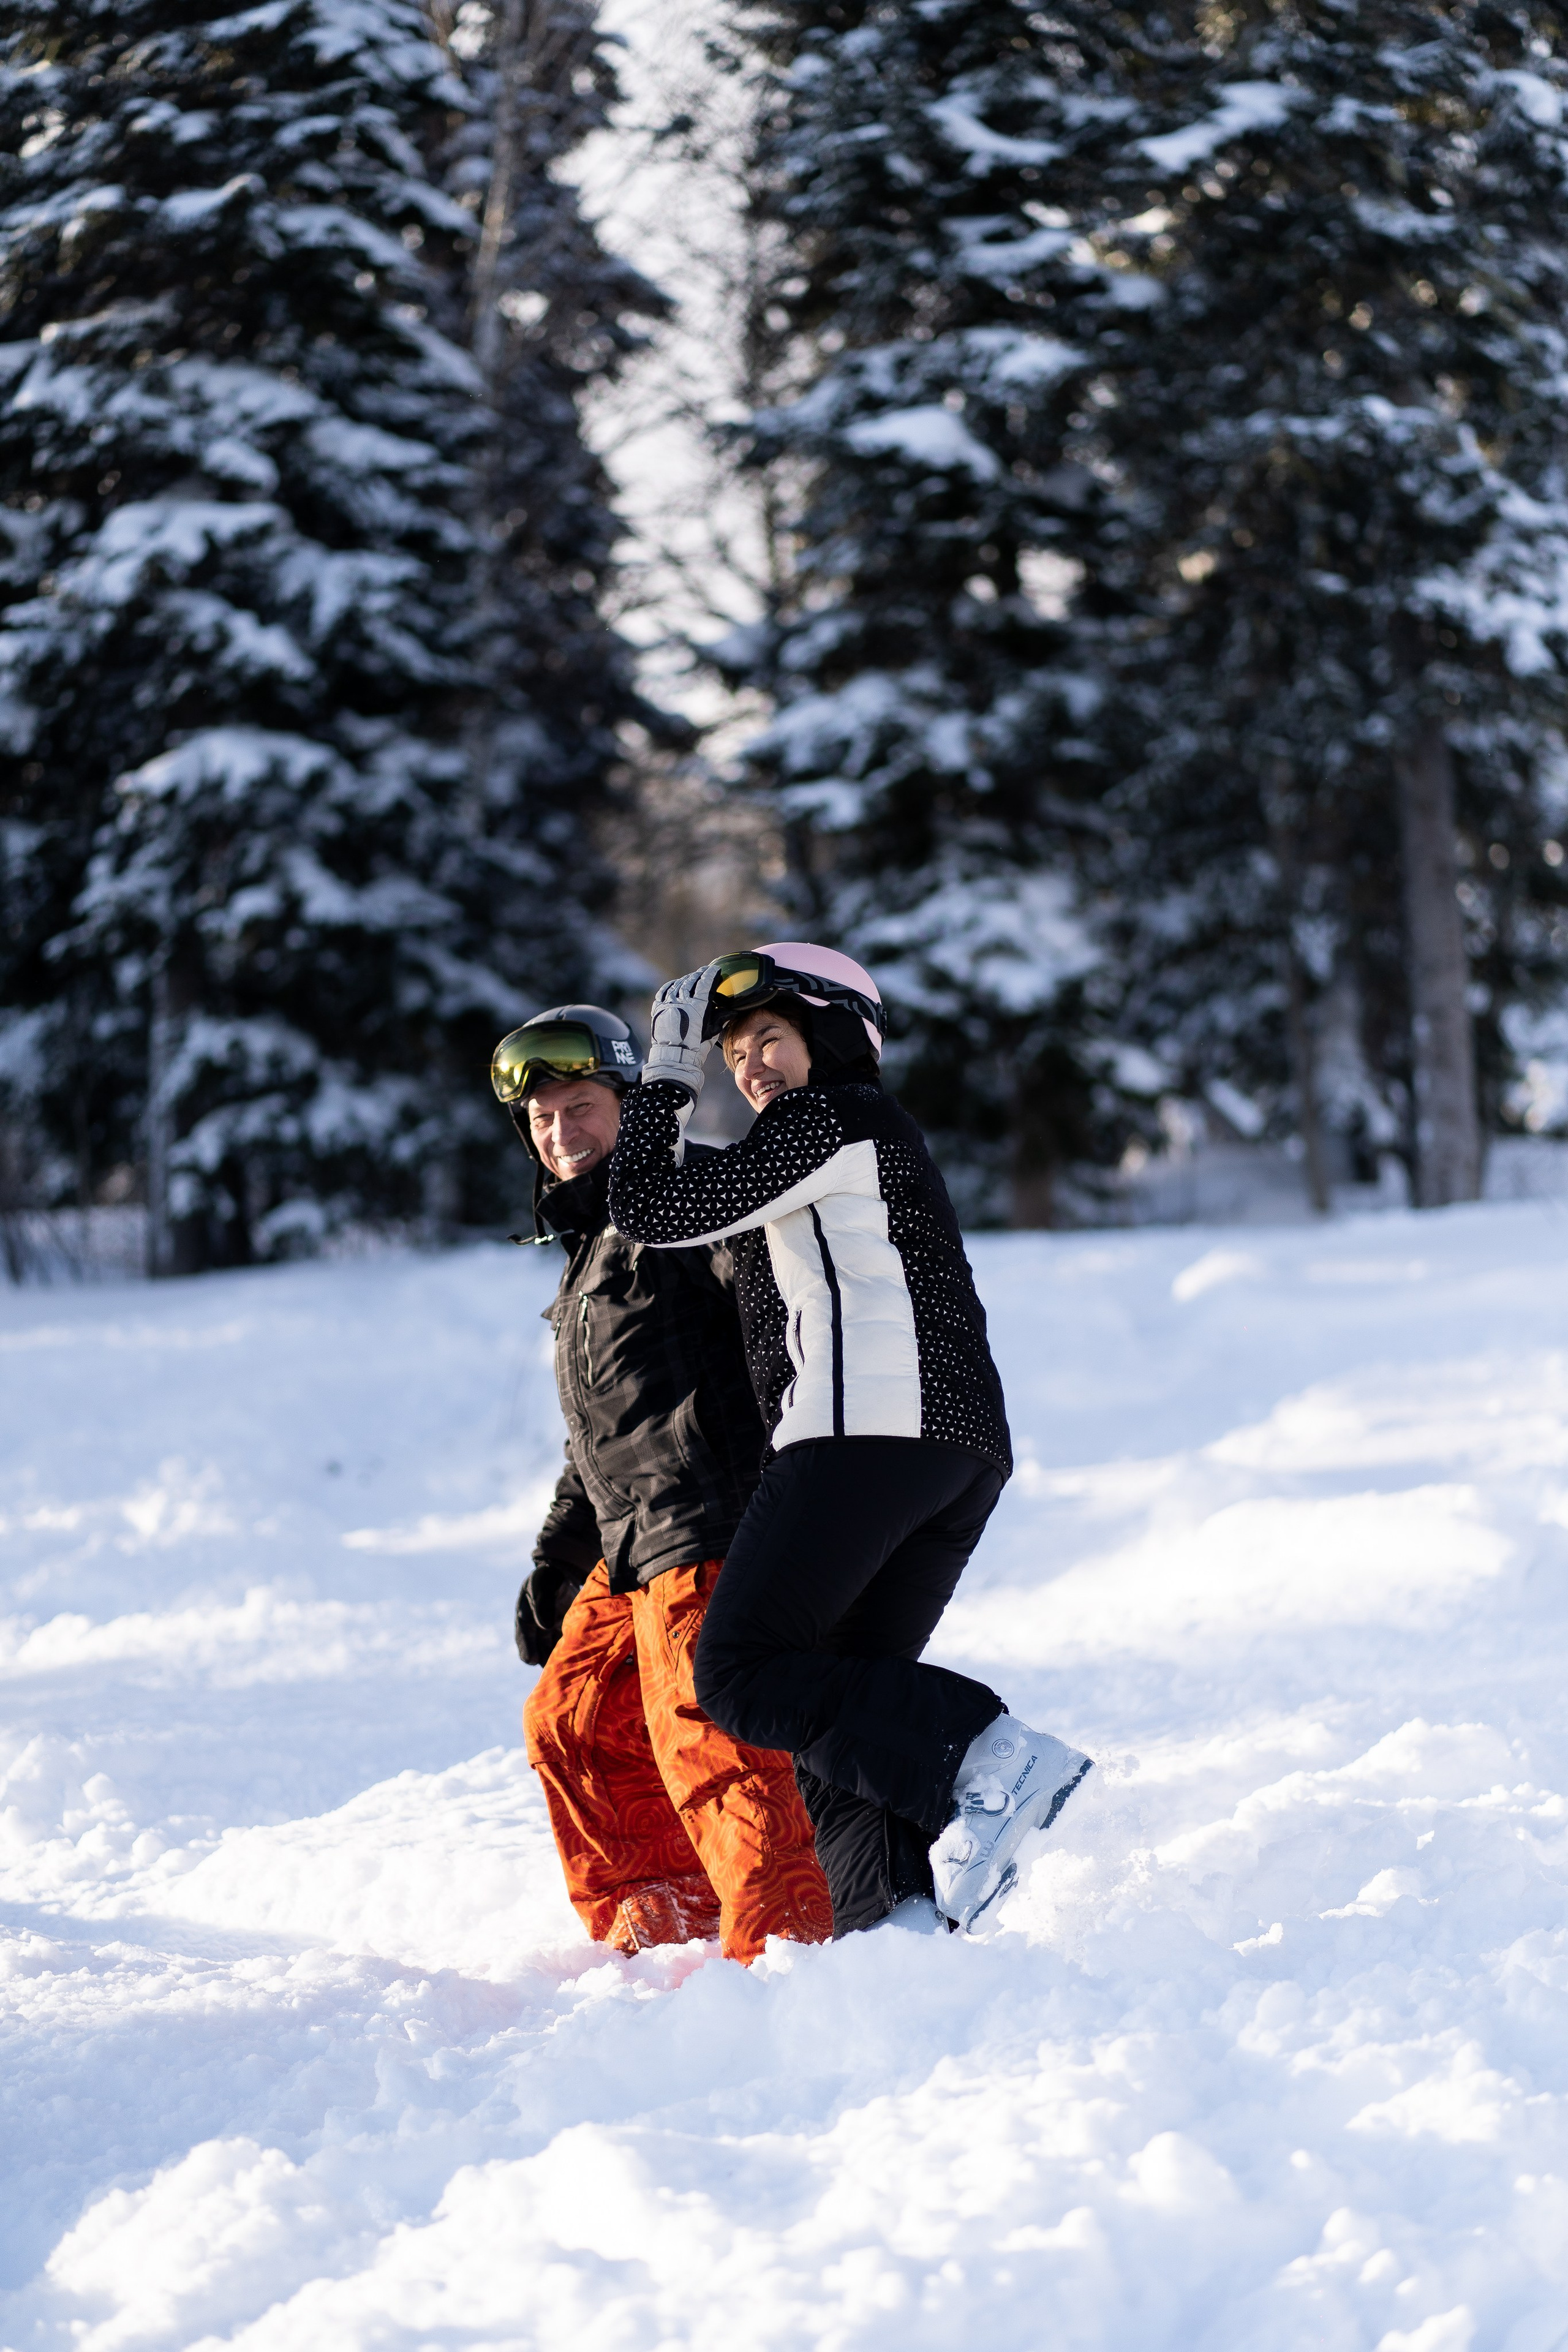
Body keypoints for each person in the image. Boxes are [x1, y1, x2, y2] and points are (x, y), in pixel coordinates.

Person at [605, 946, 1093, 1934]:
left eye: (769, 1040)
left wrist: (667, 1072)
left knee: (739, 1672)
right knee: (835, 1708)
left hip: (869, 1432)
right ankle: (897, 1923)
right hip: (940, 1452)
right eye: (733, 1053)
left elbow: (650, 1208)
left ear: (833, 1035)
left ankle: (990, 1759)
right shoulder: (835, 1145)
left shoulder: (831, 1118)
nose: (749, 1068)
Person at [490, 1002, 832, 1963]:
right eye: (544, 1118)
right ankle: (669, 1910)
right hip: (630, 1538)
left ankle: (788, 1953)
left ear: (630, 1101)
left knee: (715, 1747)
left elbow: (785, 1327)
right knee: (571, 1721)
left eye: (583, 1105)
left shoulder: (686, 1200)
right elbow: (594, 1441)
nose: (563, 1132)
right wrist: (559, 1563)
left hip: (712, 1521)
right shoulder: (592, 1252)